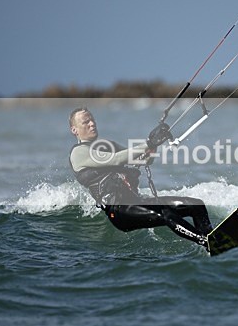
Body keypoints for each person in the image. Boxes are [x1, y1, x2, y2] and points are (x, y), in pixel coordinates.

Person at [68, 106, 213, 249]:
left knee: (196, 205)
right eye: (85, 122)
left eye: (92, 120)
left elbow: (144, 159)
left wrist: (155, 142)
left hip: (136, 201)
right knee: (166, 214)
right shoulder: (78, 153)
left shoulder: (108, 145)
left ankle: (212, 238)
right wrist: (148, 143)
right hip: (119, 211)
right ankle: (206, 242)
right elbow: (116, 159)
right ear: (74, 130)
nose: (92, 124)